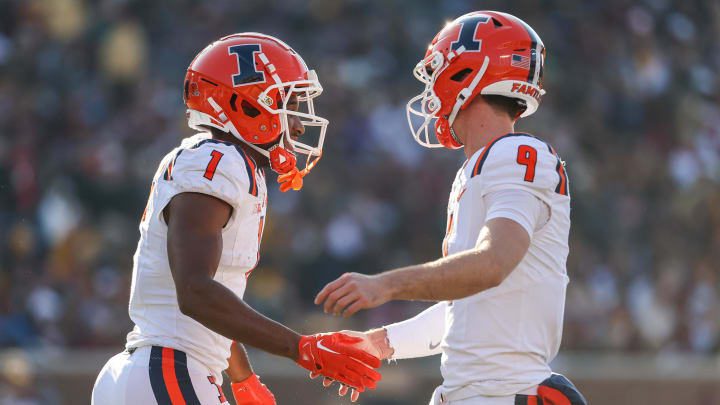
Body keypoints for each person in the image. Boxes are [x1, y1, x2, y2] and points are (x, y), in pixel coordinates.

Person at [91, 33, 381, 405]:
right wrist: (300, 347)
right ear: (247, 106)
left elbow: (213, 295)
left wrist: (242, 377)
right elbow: (195, 293)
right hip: (169, 369)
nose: (298, 126)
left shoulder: (227, 163)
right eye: (288, 106)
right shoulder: (217, 161)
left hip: (164, 369)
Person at [314, 11, 586, 405]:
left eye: (438, 74)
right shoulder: (482, 165)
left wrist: (385, 284)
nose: (431, 91)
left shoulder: (516, 153)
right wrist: (378, 344)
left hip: (503, 394)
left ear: (468, 75)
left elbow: (492, 264)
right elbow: (468, 311)